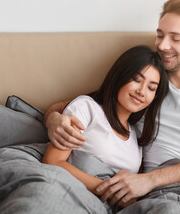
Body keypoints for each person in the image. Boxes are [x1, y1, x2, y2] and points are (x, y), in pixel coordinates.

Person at [44, 0, 180, 207]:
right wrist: (52, 119)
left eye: (175, 39)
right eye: (160, 35)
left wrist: (149, 180)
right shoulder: (147, 81)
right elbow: (87, 102)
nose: (163, 45)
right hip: (155, 196)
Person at [42, 45, 169, 197]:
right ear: (120, 76)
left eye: (151, 88)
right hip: (71, 193)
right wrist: (110, 191)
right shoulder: (87, 108)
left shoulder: (136, 136)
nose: (141, 91)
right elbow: (53, 161)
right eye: (136, 80)